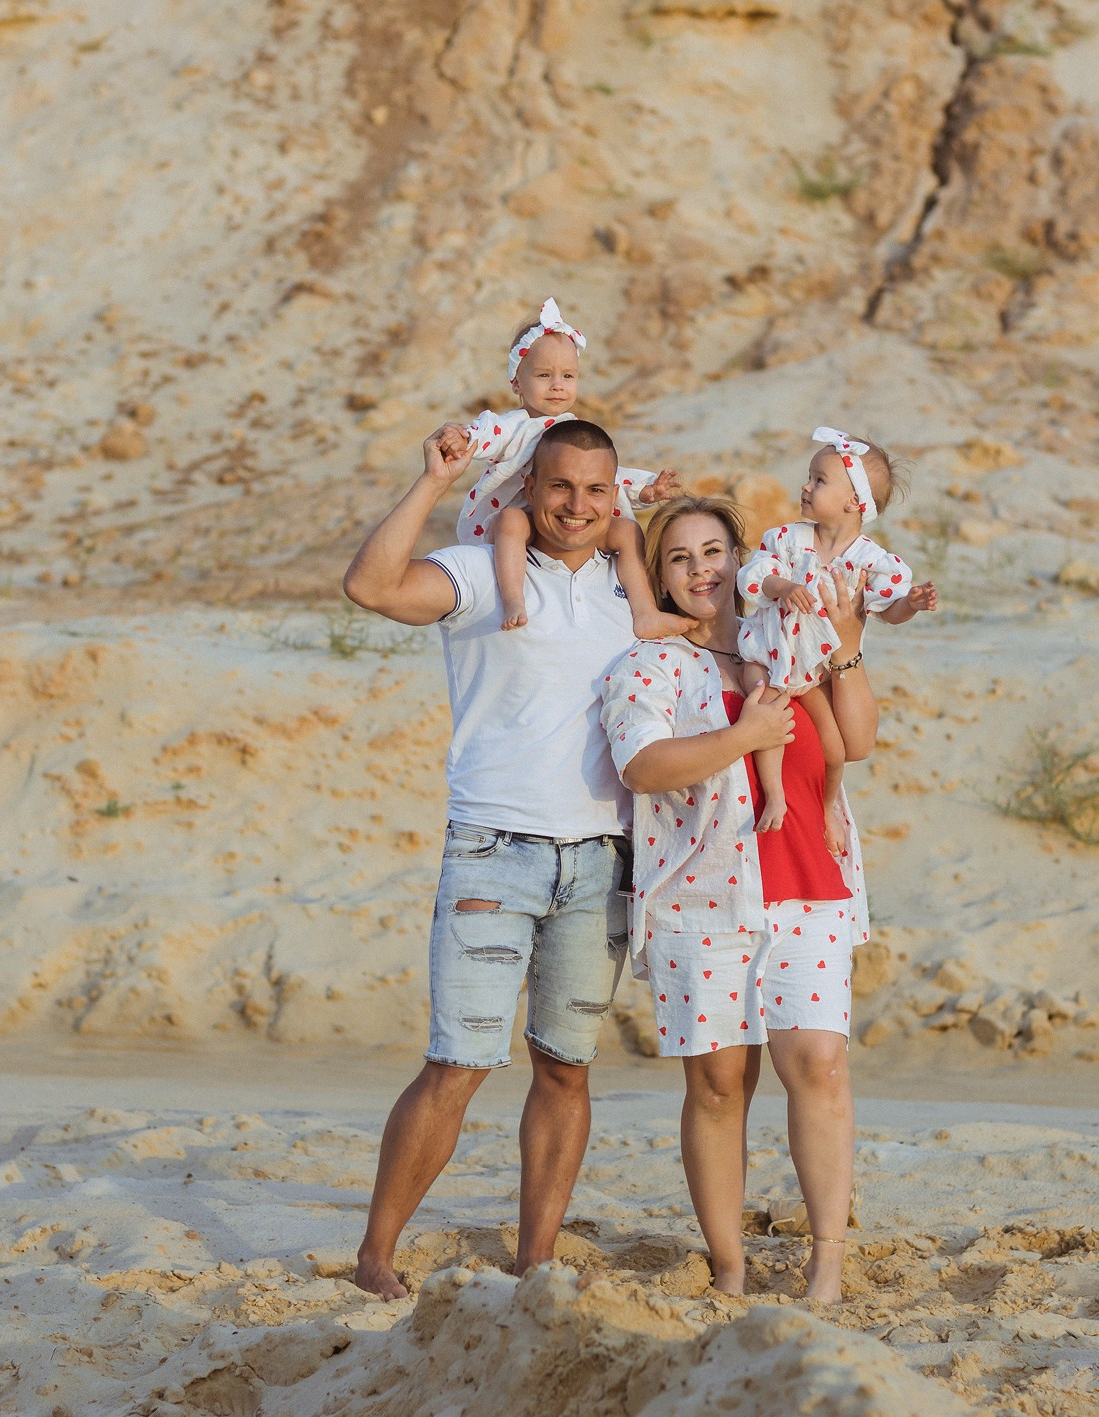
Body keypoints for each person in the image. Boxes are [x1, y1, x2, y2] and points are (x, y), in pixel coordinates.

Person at [340, 414, 654, 1301]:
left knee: (564, 1066)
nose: (577, 506)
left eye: (598, 489)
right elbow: (370, 586)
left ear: (615, 493)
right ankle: (376, 1255)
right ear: (529, 487)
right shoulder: (482, 570)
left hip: (602, 861)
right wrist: (434, 480)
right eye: (560, 486)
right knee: (460, 1061)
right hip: (492, 853)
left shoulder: (630, 594)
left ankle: (537, 1261)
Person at [598, 495, 921, 1304]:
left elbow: (859, 738)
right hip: (701, 902)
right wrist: (741, 738)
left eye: (715, 550)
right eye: (680, 557)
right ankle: (732, 1265)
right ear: (661, 577)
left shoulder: (783, 630)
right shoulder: (648, 663)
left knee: (818, 1062)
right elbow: (642, 765)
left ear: (743, 560)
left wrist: (846, 649)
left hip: (809, 883)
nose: (702, 568)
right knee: (716, 1087)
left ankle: (827, 1263)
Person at [736, 427, 933, 849]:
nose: (805, 486)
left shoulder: (869, 562)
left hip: (814, 669)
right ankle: (775, 796)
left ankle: (828, 808)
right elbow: (754, 577)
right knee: (767, 711)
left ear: (853, 502)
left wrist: (911, 604)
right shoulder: (788, 540)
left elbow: (887, 610)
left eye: (819, 480)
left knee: (836, 750)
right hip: (769, 654)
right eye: (809, 476)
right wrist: (784, 588)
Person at [457, 297, 692, 638]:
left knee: (626, 531)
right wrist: (462, 437)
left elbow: (600, 477)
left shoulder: (574, 428)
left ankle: (645, 611)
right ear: (516, 383)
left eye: (568, 375)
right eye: (543, 375)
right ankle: (513, 600)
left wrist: (645, 489)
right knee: (510, 522)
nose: (557, 385)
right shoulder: (514, 426)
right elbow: (485, 433)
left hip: (572, 521)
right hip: (526, 520)